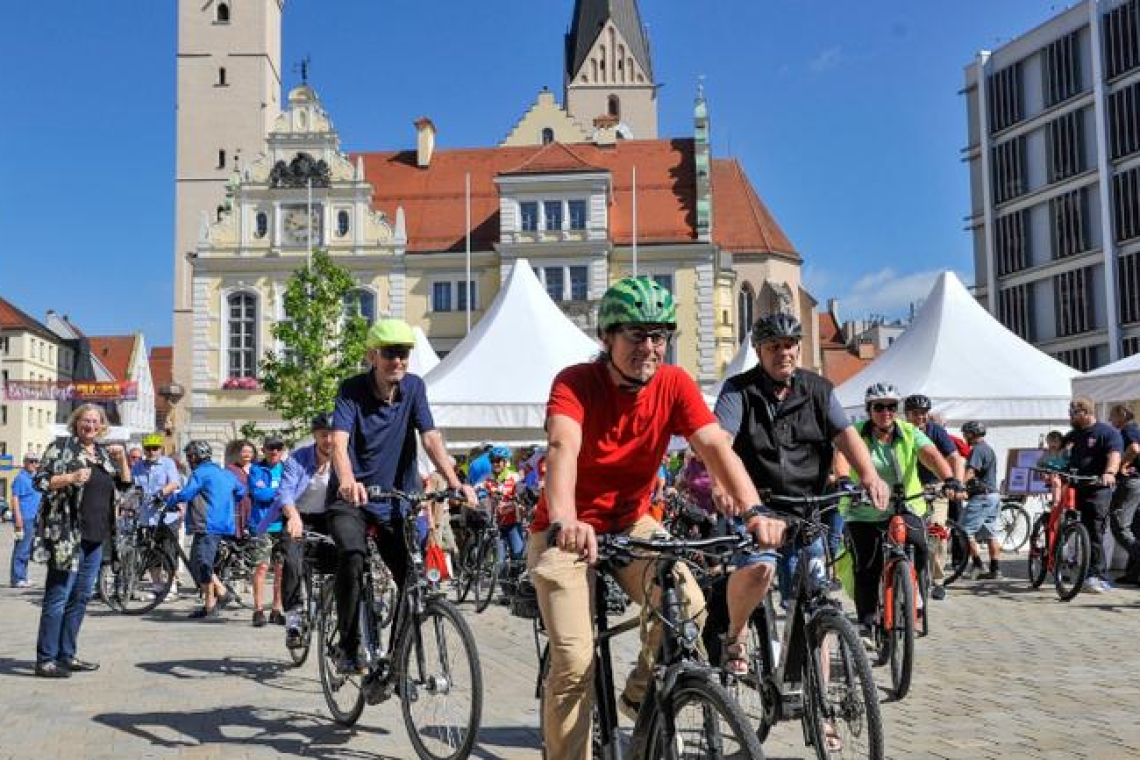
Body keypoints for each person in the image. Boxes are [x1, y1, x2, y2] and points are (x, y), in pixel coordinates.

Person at [528, 277, 787, 758]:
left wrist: (754, 509)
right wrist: (565, 519)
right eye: (636, 335)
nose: (649, 347)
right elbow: (563, 445)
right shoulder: (574, 383)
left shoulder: (674, 383)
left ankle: (639, 696)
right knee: (574, 660)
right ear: (607, 338)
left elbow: (713, 445)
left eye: (659, 336)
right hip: (563, 531)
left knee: (688, 606)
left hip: (629, 523)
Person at [715, 311, 889, 669]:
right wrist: (722, 484)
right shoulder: (739, 391)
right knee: (760, 570)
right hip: (759, 508)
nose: (784, 352)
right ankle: (736, 632)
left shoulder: (819, 390)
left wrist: (869, 475)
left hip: (807, 510)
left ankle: (820, 714)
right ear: (760, 351)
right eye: (774, 346)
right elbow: (720, 441)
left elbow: (845, 434)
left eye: (790, 344)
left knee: (815, 606)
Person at [327, 317, 476, 674]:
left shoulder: (414, 388)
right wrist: (347, 478)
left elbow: (430, 438)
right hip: (354, 499)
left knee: (414, 580)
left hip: (396, 500)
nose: (398, 361)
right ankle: (349, 646)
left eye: (404, 354)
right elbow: (338, 441)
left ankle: (393, 661)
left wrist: (454, 482)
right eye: (391, 353)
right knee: (351, 555)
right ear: (372, 356)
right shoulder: (351, 390)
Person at [834, 383, 957, 640]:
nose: (886, 412)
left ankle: (915, 590)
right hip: (864, 508)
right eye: (879, 407)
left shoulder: (910, 432)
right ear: (869, 410)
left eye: (891, 407)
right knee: (866, 565)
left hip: (905, 504)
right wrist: (844, 479)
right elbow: (843, 456)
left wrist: (949, 478)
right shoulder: (855, 433)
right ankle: (867, 622)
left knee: (920, 544)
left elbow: (930, 454)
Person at [31, 404, 132, 677]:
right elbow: (39, 481)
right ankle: (46, 659)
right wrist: (71, 477)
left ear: (102, 426)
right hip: (67, 535)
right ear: (76, 423)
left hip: (96, 538)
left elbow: (124, 486)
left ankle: (67, 654)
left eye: (95, 422)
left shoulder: (102, 453)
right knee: (58, 597)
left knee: (81, 598)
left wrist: (122, 460)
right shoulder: (61, 448)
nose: (90, 426)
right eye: (85, 421)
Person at [274, 413, 338, 646]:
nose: (329, 440)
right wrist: (293, 516)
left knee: (343, 561)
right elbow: (285, 491)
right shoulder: (298, 459)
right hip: (298, 517)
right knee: (292, 562)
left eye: (332, 435)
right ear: (315, 436)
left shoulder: (345, 458)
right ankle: (293, 618)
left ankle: (333, 605)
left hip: (329, 518)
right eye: (323, 435)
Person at [168, 441, 246, 618]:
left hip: (207, 524)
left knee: (202, 563)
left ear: (195, 457)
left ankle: (220, 596)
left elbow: (186, 494)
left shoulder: (200, 473)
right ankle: (212, 602)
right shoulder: (225, 473)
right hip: (225, 524)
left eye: (189, 456)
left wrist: (169, 500)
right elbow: (241, 491)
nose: (188, 460)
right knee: (199, 563)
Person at [903, 394, 965, 600]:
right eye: (915, 413)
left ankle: (937, 580)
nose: (920, 417)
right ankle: (903, 572)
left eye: (923, 413)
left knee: (937, 531)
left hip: (935, 486)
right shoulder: (899, 431)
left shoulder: (936, 431)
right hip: (907, 488)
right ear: (906, 414)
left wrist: (957, 483)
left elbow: (954, 458)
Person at [1065, 397, 1123, 593]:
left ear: (1085, 412)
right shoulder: (1074, 434)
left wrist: (1109, 473)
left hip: (1097, 488)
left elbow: (1114, 455)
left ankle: (1096, 575)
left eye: (1073, 412)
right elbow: (1058, 453)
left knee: (1094, 530)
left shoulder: (1108, 433)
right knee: (1069, 525)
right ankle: (1063, 562)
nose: (1070, 416)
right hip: (1075, 487)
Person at [132, 433, 184, 596]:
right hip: (146, 516)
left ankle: (171, 585)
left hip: (166, 515)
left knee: (169, 550)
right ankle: (157, 585)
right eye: (148, 449)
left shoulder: (168, 463)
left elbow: (174, 482)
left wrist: (160, 494)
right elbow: (134, 486)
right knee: (151, 551)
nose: (152, 452)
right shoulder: (138, 466)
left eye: (155, 448)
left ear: (161, 449)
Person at [248, 436, 287, 627]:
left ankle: (276, 609)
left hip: (282, 525)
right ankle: (258, 609)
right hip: (263, 525)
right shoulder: (256, 469)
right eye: (271, 448)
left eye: (278, 448)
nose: (274, 452)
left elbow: (293, 492)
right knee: (262, 567)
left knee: (280, 569)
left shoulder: (287, 468)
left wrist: (276, 492)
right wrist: (281, 492)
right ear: (263, 450)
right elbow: (258, 494)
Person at [959, 421, 1003, 580]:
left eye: (965, 433)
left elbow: (971, 471)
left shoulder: (977, 450)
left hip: (982, 497)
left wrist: (959, 486)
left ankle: (978, 564)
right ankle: (995, 569)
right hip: (993, 495)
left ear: (971, 434)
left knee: (964, 531)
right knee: (990, 533)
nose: (964, 436)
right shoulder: (989, 449)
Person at [1108, 404, 1140, 585]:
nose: (1111, 421)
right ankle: (1134, 574)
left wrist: (1122, 465)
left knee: (1120, 526)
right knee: (1136, 529)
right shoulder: (1134, 429)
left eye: (1112, 416)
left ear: (1121, 415)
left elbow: (1135, 449)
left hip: (1131, 483)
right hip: (1137, 483)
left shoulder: (1128, 430)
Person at [10, 453, 43, 588]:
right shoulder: (21, 478)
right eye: (32, 461)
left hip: (34, 517)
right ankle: (17, 578)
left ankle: (23, 576)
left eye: (36, 461)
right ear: (25, 462)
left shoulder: (35, 478)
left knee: (27, 548)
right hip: (24, 517)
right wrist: (18, 519)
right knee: (21, 547)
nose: (35, 464)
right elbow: (15, 498)